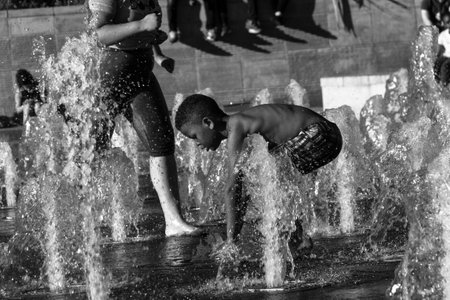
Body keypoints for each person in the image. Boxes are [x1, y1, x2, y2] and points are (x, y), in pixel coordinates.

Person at [88, 0, 200, 237]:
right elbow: (97, 34)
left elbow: (145, 28)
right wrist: (140, 25)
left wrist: (158, 54)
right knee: (92, 151)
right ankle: (80, 223)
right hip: (109, 77)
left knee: (161, 141)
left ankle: (174, 220)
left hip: (139, 72)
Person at [174, 94, 342, 244]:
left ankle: (297, 236)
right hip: (326, 134)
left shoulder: (237, 126)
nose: (195, 144)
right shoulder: (245, 124)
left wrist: (231, 241)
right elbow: (240, 188)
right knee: (263, 173)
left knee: (269, 174)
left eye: (194, 136)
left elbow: (231, 189)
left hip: (320, 133)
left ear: (208, 123)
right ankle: (298, 236)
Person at [435, 14, 450, 85]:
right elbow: (440, 49)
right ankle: (436, 83)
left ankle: (445, 85)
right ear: (444, 24)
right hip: (446, 55)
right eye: (448, 22)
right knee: (436, 64)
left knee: (445, 66)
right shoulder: (442, 35)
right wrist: (437, 57)